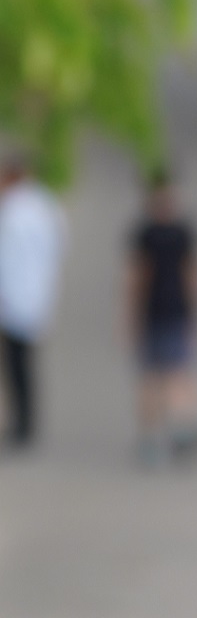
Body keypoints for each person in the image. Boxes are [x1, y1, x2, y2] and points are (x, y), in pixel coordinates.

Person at [125, 169, 197, 463]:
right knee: (178, 374)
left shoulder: (145, 233)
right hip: (176, 311)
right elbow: (193, 276)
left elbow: (136, 278)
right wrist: (195, 312)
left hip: (153, 312)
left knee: (153, 377)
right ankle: (181, 433)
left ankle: (151, 439)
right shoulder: (183, 232)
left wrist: (131, 315)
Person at [0, 154, 66, 450]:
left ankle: (22, 425)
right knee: (24, 364)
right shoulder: (45, 205)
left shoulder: (12, 210)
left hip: (14, 296)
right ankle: (27, 422)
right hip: (37, 293)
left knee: (16, 366)